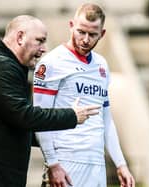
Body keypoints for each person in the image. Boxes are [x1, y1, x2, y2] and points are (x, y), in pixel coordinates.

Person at [0, 15, 101, 187]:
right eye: (40, 41)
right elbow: (23, 116)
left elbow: (18, 128)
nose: (44, 49)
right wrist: (72, 116)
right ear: (20, 37)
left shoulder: (7, 66)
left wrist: (64, 141)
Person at [33, 3, 135, 187]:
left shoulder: (102, 65)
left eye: (92, 34)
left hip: (96, 163)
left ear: (102, 34)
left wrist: (121, 164)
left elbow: (106, 119)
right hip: (66, 162)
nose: (86, 40)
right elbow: (40, 118)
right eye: (81, 32)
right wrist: (53, 163)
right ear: (71, 25)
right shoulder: (51, 63)